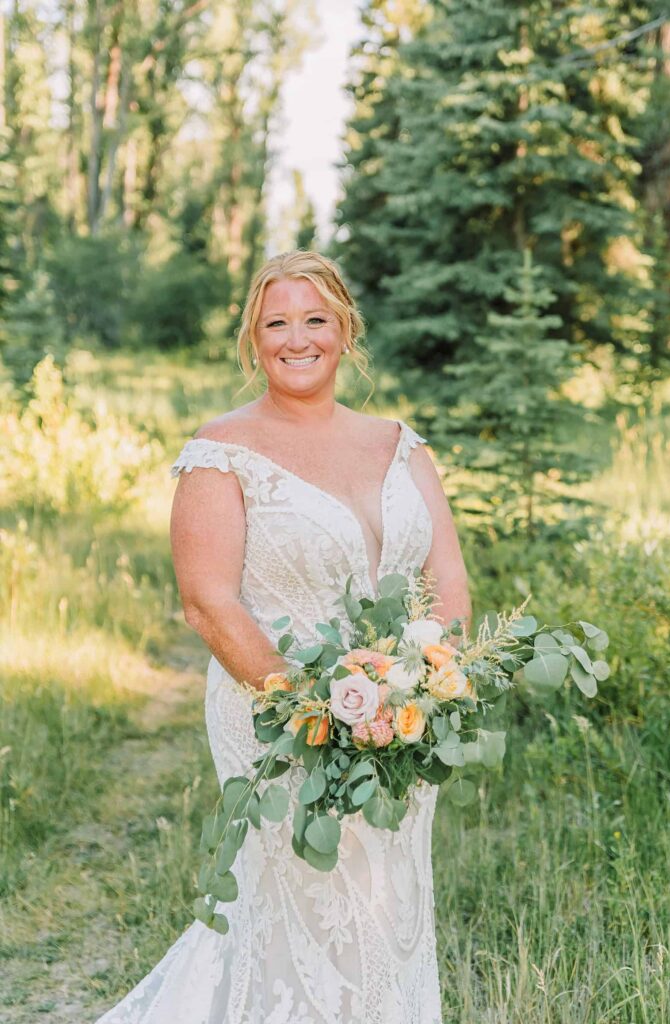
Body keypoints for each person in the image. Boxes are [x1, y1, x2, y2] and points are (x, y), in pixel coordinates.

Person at [94, 250, 471, 1024]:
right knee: (304, 898)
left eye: (314, 320)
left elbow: (448, 583)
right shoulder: (223, 451)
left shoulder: (402, 445)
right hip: (273, 716)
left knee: (387, 901)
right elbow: (207, 603)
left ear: (344, 332)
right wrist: (316, 713)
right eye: (276, 323)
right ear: (252, 339)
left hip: (400, 723)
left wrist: (431, 687)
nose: (296, 339)